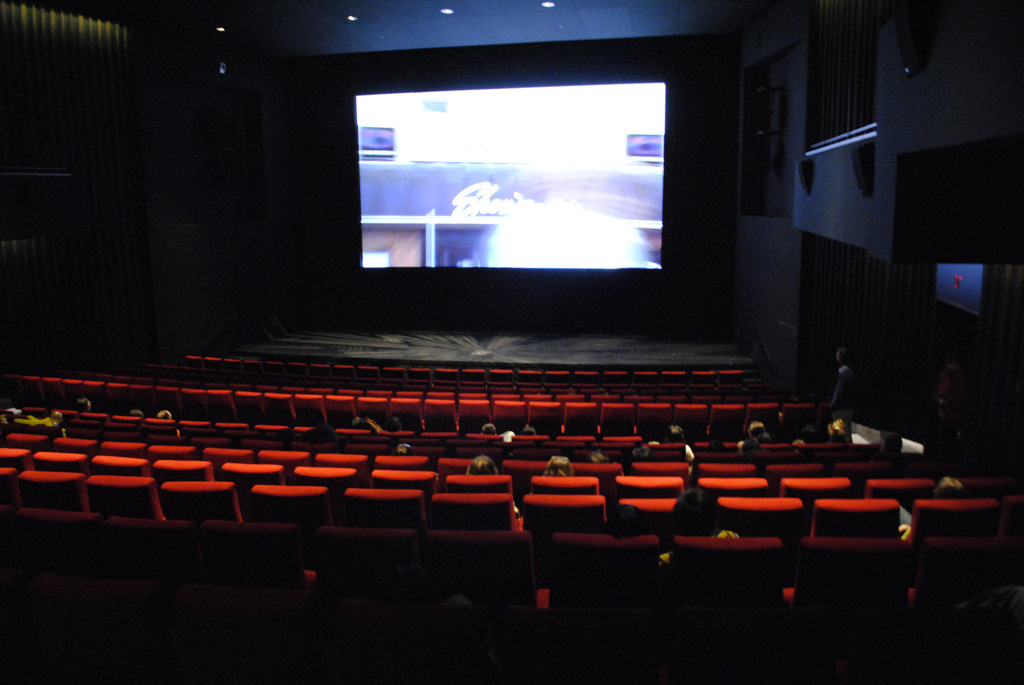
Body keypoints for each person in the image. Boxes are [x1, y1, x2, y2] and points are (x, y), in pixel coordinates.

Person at [933, 353, 968, 460]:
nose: (953, 366)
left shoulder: (963, 379)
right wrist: (939, 401)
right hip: (943, 414)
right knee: (942, 441)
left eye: (954, 364)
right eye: (950, 364)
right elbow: (933, 392)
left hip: (957, 415)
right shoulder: (941, 376)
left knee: (954, 443)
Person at [830, 346, 856, 428]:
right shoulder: (851, 370)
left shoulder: (843, 372)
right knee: (847, 431)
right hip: (849, 406)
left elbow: (839, 391)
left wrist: (833, 404)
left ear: (839, 356)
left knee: (839, 432)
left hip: (841, 407)